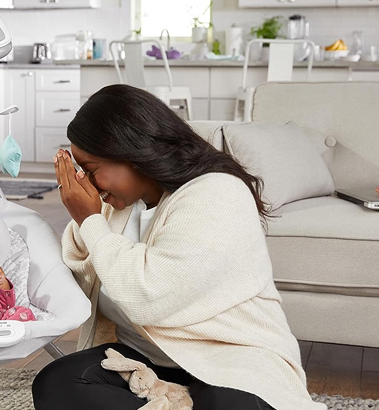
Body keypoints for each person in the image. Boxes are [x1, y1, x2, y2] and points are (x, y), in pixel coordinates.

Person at [31, 84, 325, 410]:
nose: (85, 184)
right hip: (143, 361)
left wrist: (90, 221)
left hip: (227, 352)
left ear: (133, 153)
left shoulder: (217, 194)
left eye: (91, 170)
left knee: (226, 402)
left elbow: (150, 296)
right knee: (55, 384)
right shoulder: (116, 207)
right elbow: (82, 278)